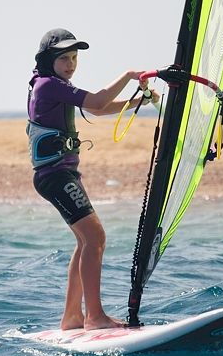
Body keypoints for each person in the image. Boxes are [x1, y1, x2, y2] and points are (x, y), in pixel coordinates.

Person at [27, 28, 159, 331]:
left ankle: (73, 316)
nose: (71, 64)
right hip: (55, 176)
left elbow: (98, 110)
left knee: (85, 241)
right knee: (95, 238)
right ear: (48, 60)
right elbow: (98, 102)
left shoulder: (55, 85)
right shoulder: (48, 85)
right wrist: (129, 76)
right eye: (64, 58)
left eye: (74, 58)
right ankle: (95, 316)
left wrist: (136, 103)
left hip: (60, 174)